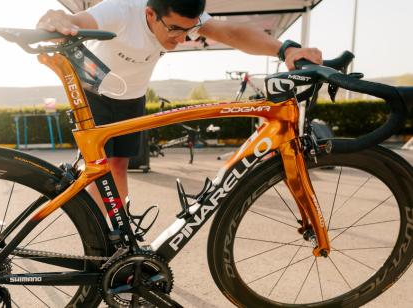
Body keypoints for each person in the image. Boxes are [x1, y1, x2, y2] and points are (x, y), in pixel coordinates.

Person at [37, 0, 322, 217]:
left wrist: (285, 49)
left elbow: (230, 32)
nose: (181, 39)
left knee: (120, 166)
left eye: (189, 30)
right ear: (150, 14)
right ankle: (100, 241)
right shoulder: (122, 9)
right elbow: (76, 19)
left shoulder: (182, 16)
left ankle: (118, 234)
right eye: (174, 29)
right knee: (98, 171)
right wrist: (57, 18)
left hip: (132, 95)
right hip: (93, 92)